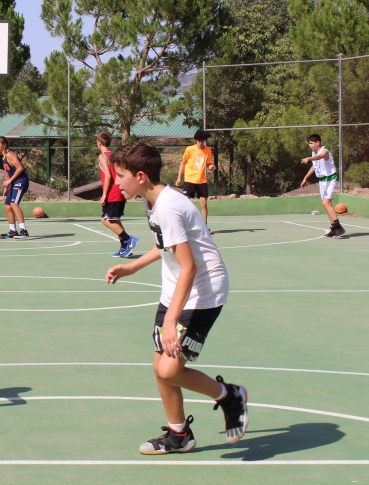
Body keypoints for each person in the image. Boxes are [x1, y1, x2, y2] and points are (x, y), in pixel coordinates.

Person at [104, 141, 247, 455]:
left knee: (169, 370)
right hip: (176, 289)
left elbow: (190, 266)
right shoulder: (151, 198)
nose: (116, 181)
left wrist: (170, 322)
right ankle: (179, 435)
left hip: (203, 293)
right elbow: (166, 243)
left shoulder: (168, 206)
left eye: (120, 176)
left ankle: (228, 395)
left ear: (140, 176)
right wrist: (134, 265)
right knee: (161, 368)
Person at [96, 131, 138, 257]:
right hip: (120, 190)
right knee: (115, 220)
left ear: (99, 142)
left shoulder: (102, 157)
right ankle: (125, 248)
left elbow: (108, 175)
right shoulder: (115, 155)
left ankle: (128, 239)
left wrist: (104, 194)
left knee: (106, 220)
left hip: (112, 192)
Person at [301, 134, 345, 238]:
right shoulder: (314, 153)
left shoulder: (324, 151)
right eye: (309, 144)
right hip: (322, 181)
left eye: (311, 143)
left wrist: (309, 158)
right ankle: (334, 229)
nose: (310, 145)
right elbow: (314, 166)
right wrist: (306, 178)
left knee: (325, 203)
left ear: (318, 143)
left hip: (330, 179)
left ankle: (338, 227)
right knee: (327, 205)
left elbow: (319, 157)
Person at [176, 130, 215, 234]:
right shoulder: (189, 149)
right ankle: (184, 226)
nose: (200, 143)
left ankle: (204, 227)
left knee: (204, 204)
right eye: (198, 141)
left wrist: (211, 167)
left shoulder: (208, 150)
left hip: (202, 181)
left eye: (202, 141)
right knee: (185, 203)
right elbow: (183, 163)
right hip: (189, 180)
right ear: (196, 140)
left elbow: (208, 164)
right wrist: (179, 177)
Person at [0, 136, 29, 238]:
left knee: (14, 204)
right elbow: (8, 173)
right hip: (14, 182)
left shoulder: (10, 154)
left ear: (4, 145)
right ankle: (13, 231)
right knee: (7, 206)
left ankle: (23, 230)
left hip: (21, 181)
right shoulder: (3, 158)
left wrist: (10, 180)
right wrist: (7, 186)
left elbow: (20, 168)